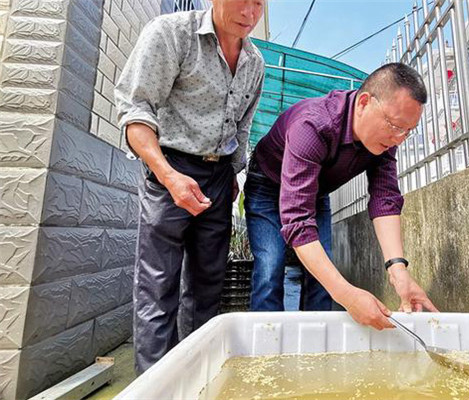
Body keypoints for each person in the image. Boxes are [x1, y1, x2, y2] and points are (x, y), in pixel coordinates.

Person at [114, 0, 265, 374]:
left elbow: (242, 127)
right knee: (158, 286)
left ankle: (196, 377)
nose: (250, 13)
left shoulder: (255, 63)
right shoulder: (172, 34)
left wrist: (232, 176)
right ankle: (156, 384)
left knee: (207, 286)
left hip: (219, 176)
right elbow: (136, 109)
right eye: (242, 0)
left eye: (259, 3)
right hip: (170, 165)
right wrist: (167, 175)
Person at [245, 63, 438, 329]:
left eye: (408, 130)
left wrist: (398, 270)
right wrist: (348, 296)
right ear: (364, 103)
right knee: (270, 267)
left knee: (323, 275)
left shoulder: (386, 142)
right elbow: (298, 221)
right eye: (395, 125)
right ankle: (266, 344)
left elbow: (385, 198)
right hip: (267, 185)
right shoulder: (312, 125)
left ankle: (315, 343)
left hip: (315, 191)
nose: (399, 139)